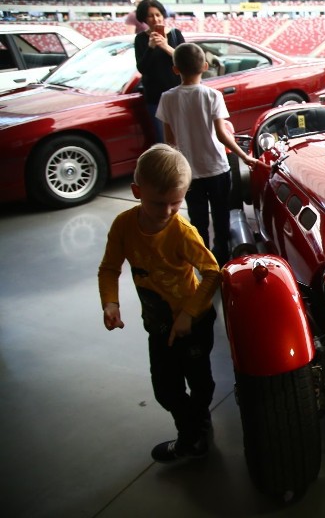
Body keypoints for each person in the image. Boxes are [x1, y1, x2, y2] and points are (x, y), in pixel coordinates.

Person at [98, 144, 221, 463]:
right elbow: (109, 268)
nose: (168, 212)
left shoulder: (182, 232)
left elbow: (211, 273)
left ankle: (191, 436)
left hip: (193, 323)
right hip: (158, 324)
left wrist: (189, 315)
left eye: (176, 203)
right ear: (137, 191)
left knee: (201, 383)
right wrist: (110, 303)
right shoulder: (124, 226)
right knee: (165, 390)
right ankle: (194, 428)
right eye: (158, 203)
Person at [157, 42, 258, 267]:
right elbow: (222, 135)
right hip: (217, 169)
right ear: (204, 66)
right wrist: (244, 156)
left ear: (175, 69)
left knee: (198, 219)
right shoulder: (212, 95)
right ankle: (221, 257)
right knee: (221, 218)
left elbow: (170, 142)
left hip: (189, 173)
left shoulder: (167, 98)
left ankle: (203, 260)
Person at [134, 0, 184, 144]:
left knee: (182, 137)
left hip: (177, 94)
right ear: (144, 18)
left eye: (158, 14)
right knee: (164, 140)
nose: (155, 19)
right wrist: (151, 47)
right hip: (155, 98)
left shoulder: (175, 34)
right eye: (150, 15)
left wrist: (166, 47)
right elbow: (142, 68)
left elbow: (185, 61)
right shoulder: (141, 39)